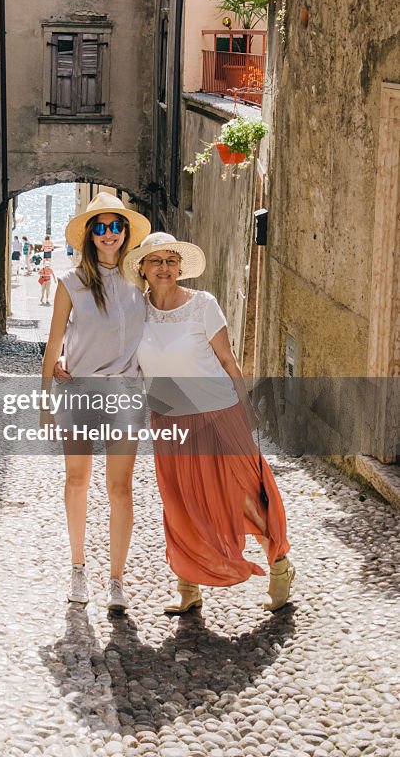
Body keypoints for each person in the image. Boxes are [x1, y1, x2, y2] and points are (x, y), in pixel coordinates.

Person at [123, 232, 295, 614]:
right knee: (181, 505)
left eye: (170, 260)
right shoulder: (135, 313)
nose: (164, 268)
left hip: (218, 414)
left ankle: (280, 567)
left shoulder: (203, 305)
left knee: (247, 495)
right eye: (156, 261)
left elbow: (228, 360)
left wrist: (245, 409)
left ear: (180, 267)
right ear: (143, 268)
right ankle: (188, 585)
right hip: (169, 421)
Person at [41, 193, 151, 613]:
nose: (109, 234)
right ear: (90, 235)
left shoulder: (138, 285)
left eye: (115, 226)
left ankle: (117, 579)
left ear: (125, 233)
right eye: (100, 227)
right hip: (79, 391)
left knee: (120, 489)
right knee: (77, 480)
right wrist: (44, 403)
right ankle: (77, 567)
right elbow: (53, 345)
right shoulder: (71, 284)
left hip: (124, 393)